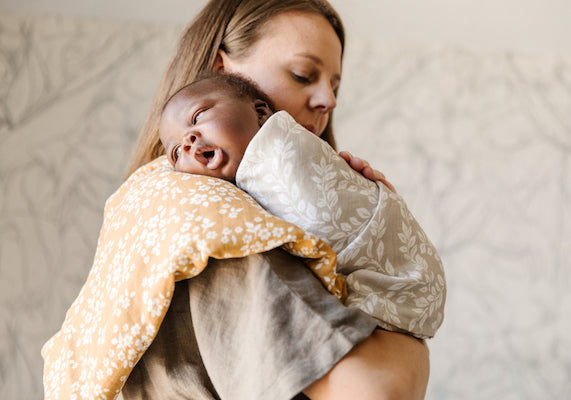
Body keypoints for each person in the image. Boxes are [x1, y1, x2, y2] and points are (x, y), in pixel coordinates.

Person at [43, 1, 439, 399]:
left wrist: (376, 229)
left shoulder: (167, 211)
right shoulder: (211, 219)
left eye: (334, 86)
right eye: (304, 74)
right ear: (222, 72)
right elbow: (380, 390)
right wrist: (405, 316)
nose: (328, 101)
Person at [157, 71, 445, 337]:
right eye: (174, 153)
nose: (187, 141)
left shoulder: (281, 142)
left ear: (260, 112)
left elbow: (323, 215)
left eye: (198, 117)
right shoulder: (178, 193)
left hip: (404, 272)